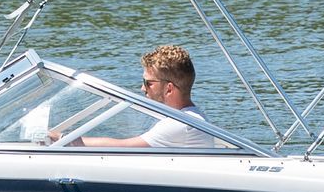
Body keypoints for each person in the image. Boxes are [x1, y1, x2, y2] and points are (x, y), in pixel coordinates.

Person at [74, 44, 222, 148]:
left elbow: (122, 147)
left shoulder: (180, 125)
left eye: (148, 83)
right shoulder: (189, 116)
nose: (142, 88)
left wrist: (64, 140)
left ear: (169, 89)